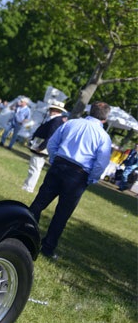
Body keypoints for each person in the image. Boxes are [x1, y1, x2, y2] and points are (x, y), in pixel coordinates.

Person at [29, 101, 113, 260]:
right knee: (62, 214)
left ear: (90, 110)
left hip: (59, 165)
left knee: (39, 203)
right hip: (78, 175)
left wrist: (55, 160)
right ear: (105, 118)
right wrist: (91, 178)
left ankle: (25, 232)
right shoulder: (104, 136)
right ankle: (47, 247)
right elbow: (101, 163)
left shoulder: (71, 123)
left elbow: (53, 143)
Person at [22, 100, 68, 193]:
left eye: (53, 109)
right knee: (34, 166)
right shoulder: (53, 119)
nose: (51, 111)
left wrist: (41, 147)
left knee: (35, 167)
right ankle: (27, 185)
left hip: (42, 147)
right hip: (39, 144)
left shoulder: (56, 121)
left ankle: (29, 187)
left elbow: (50, 136)